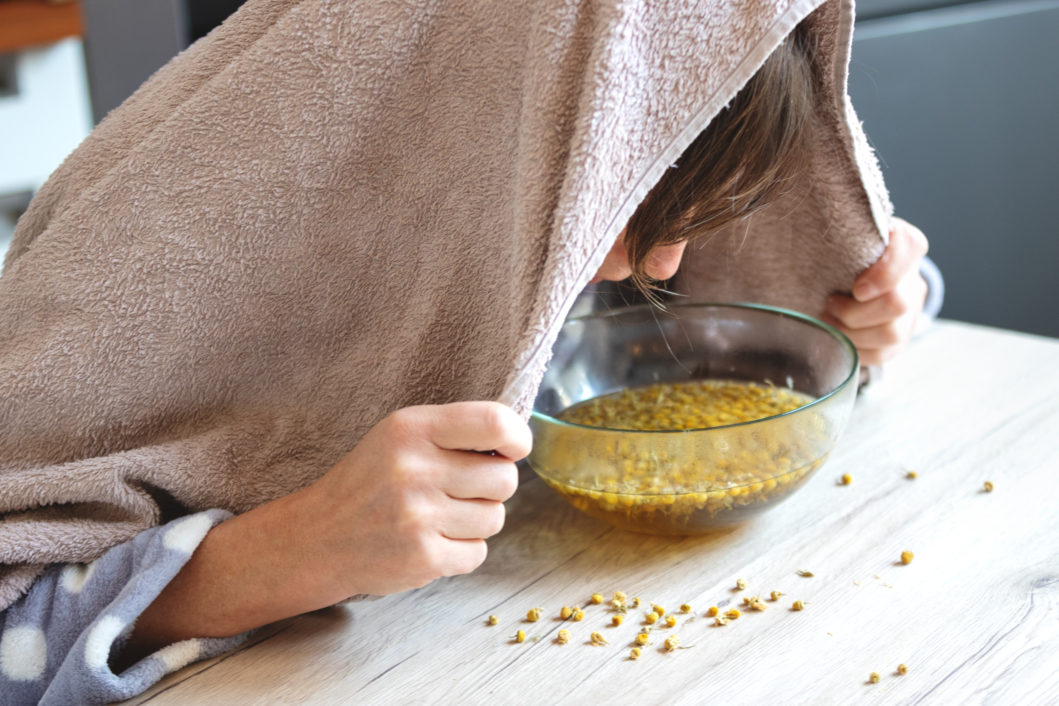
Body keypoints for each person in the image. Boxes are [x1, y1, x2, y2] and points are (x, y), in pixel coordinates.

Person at [0, 1, 939, 702]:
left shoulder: (567, 212)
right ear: (485, 137)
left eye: (700, 219)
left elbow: (746, 295)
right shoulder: (154, 264)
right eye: (643, 204)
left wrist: (876, 302)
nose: (661, 265)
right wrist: (292, 549)